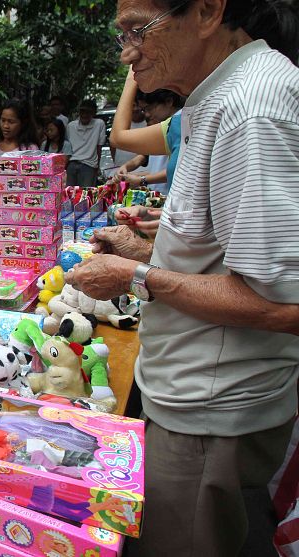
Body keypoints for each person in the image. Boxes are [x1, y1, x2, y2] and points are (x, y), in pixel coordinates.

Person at [67, 1, 299, 555]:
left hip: (209, 408)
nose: (127, 52)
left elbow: (283, 305)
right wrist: (143, 247)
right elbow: (218, 250)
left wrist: (137, 274)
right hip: (197, 392)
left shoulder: (250, 108)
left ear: (207, 10)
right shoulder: (217, 97)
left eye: (138, 30)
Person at [112, 88, 183, 193]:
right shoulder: (170, 123)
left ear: (169, 101)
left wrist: (142, 180)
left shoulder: (179, 122)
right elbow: (143, 157)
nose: (147, 114)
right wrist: (128, 169)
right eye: (144, 110)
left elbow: (116, 138)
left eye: (149, 108)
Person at [65, 100, 105, 187]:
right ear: (79, 112)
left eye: (88, 112)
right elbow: (67, 147)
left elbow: (99, 147)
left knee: (86, 195)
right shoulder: (71, 126)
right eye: (82, 112)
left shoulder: (99, 124)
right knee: (69, 193)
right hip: (72, 163)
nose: (84, 115)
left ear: (93, 113)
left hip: (89, 165)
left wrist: (97, 166)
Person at [110, 98, 148, 168]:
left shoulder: (149, 122)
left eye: (138, 105)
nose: (135, 109)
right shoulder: (120, 122)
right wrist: (115, 160)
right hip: (120, 165)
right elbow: (113, 143)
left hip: (142, 168)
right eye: (132, 105)